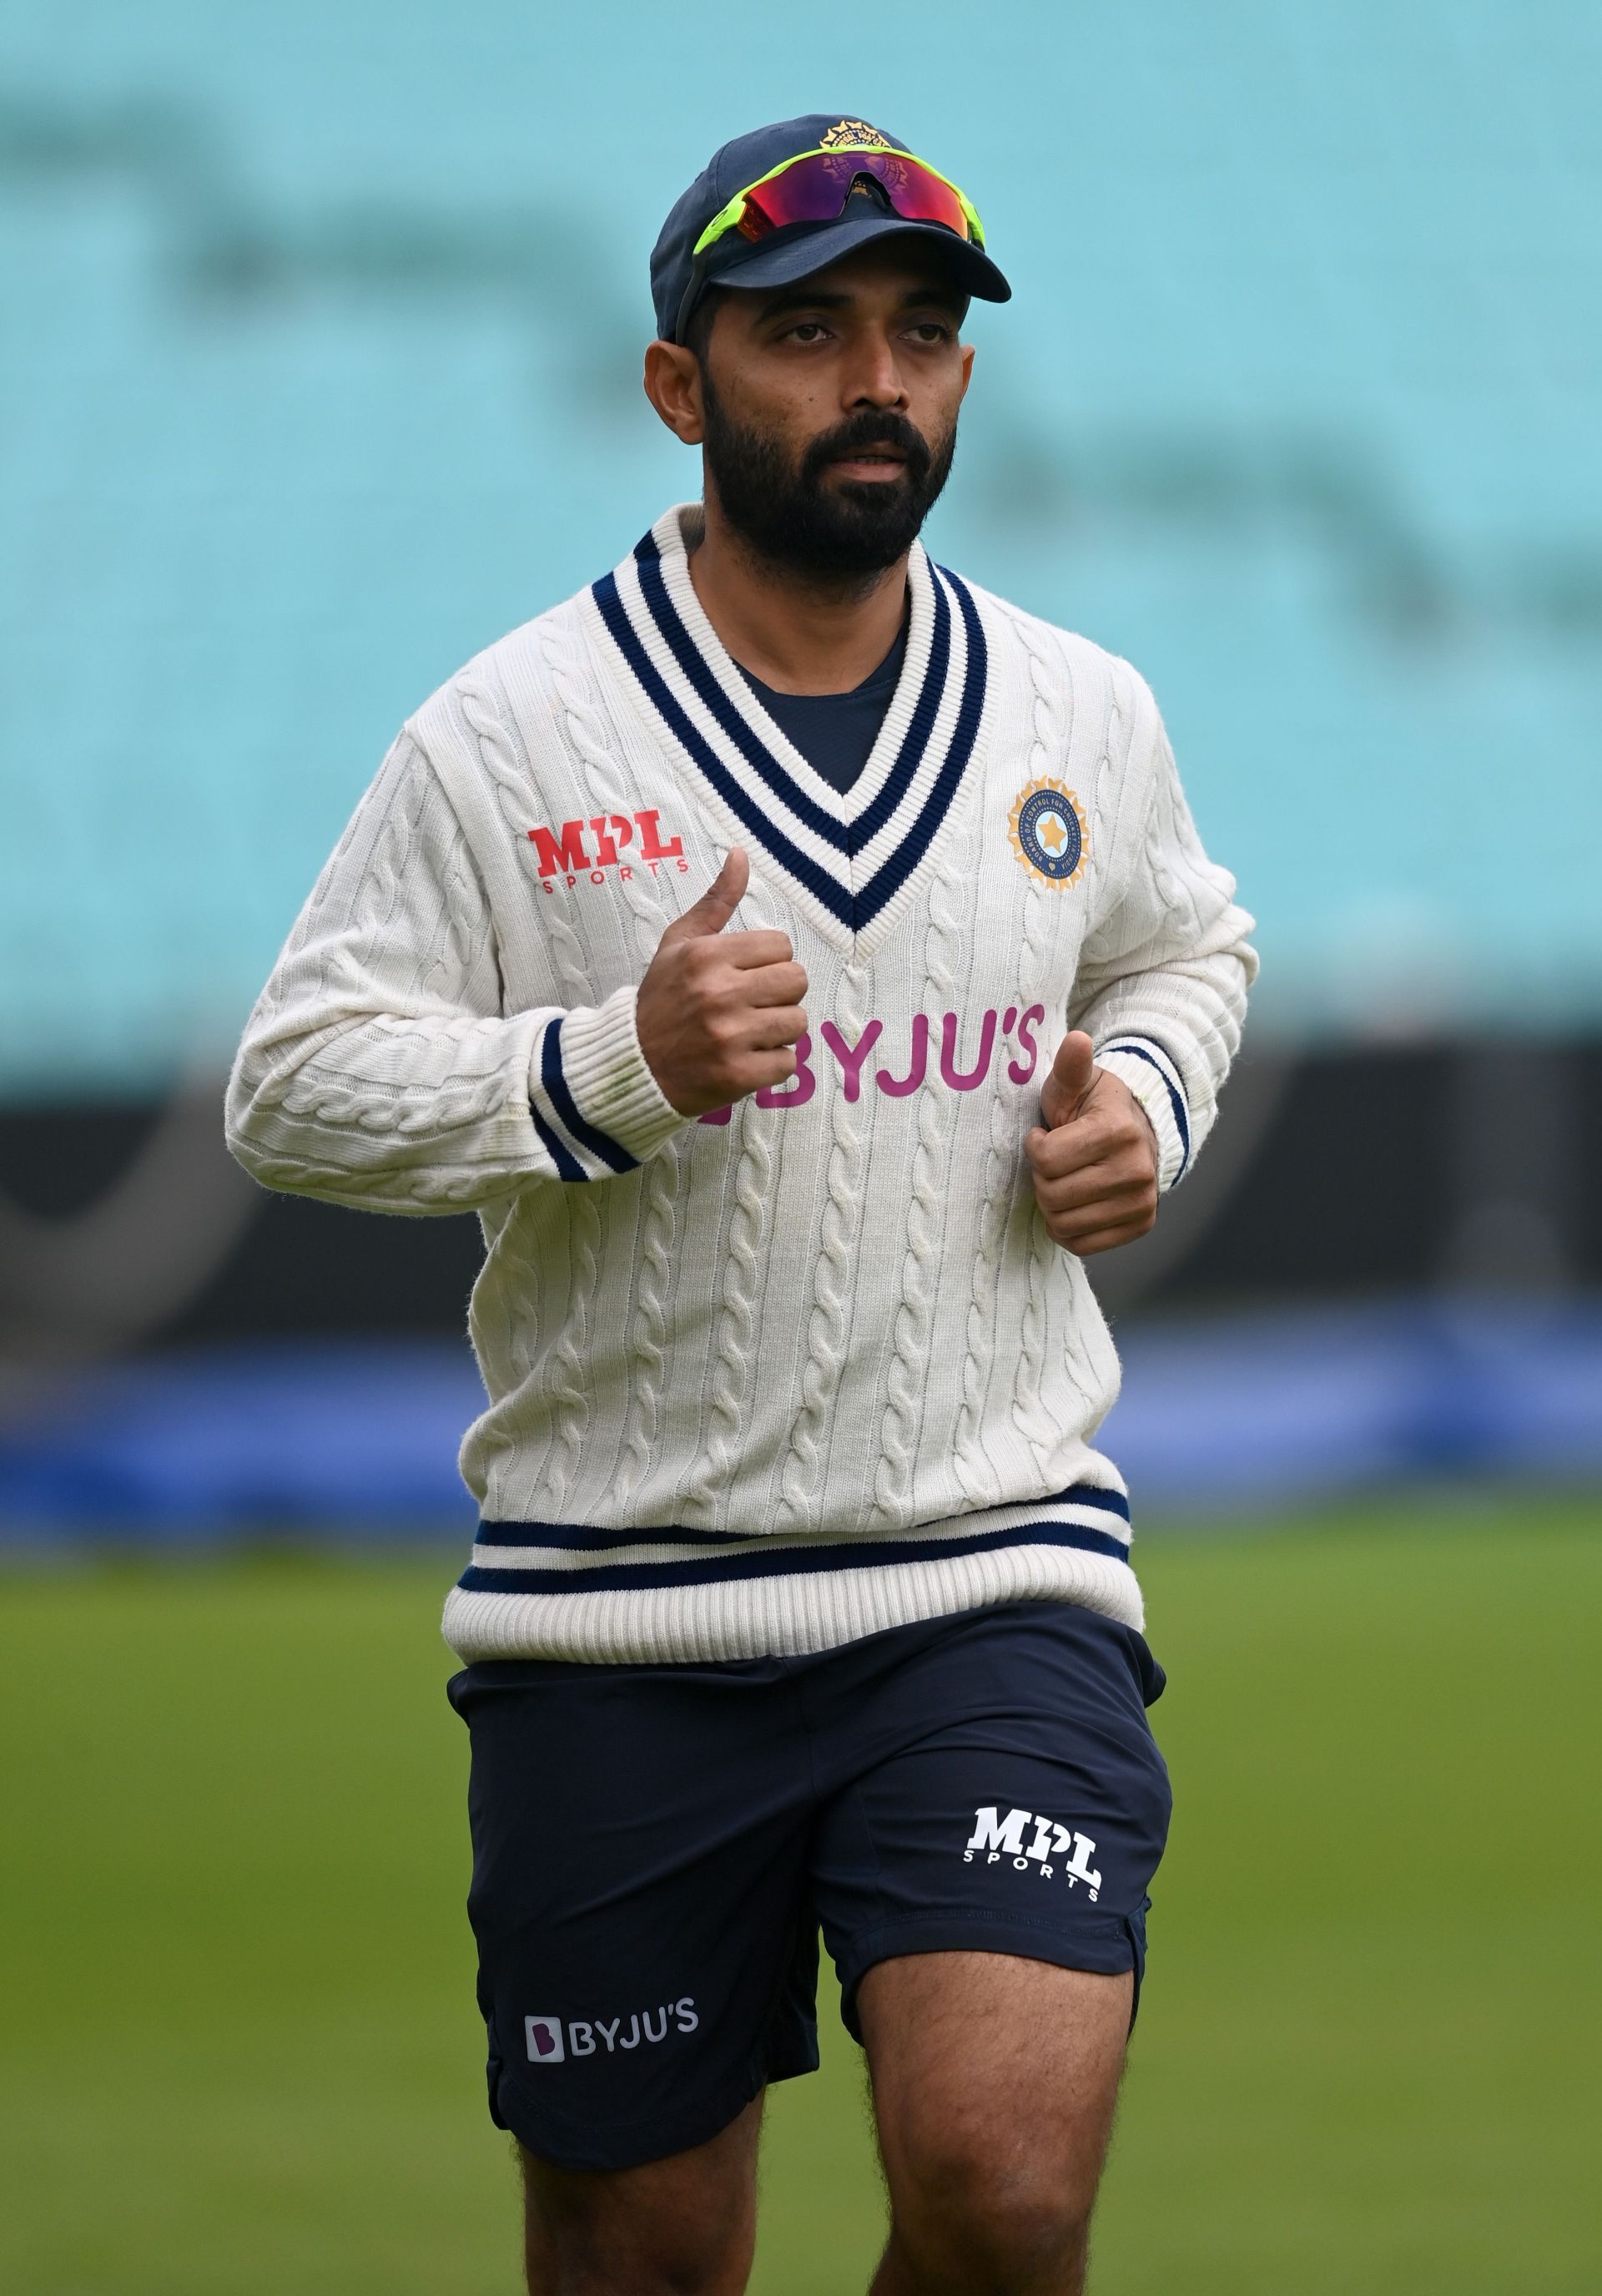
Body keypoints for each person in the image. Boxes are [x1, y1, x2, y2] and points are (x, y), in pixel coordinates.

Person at [227, 112, 1256, 2296]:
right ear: (680, 388)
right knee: (643, 2270)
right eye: (807, 333)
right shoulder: (509, 734)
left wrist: (1146, 1101)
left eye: (920, 333)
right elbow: (292, 1091)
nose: (879, 381)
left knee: (1005, 2196)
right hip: (619, 1619)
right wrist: (617, 1068)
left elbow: (1187, 944)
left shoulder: (1080, 709)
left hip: (994, 1577)